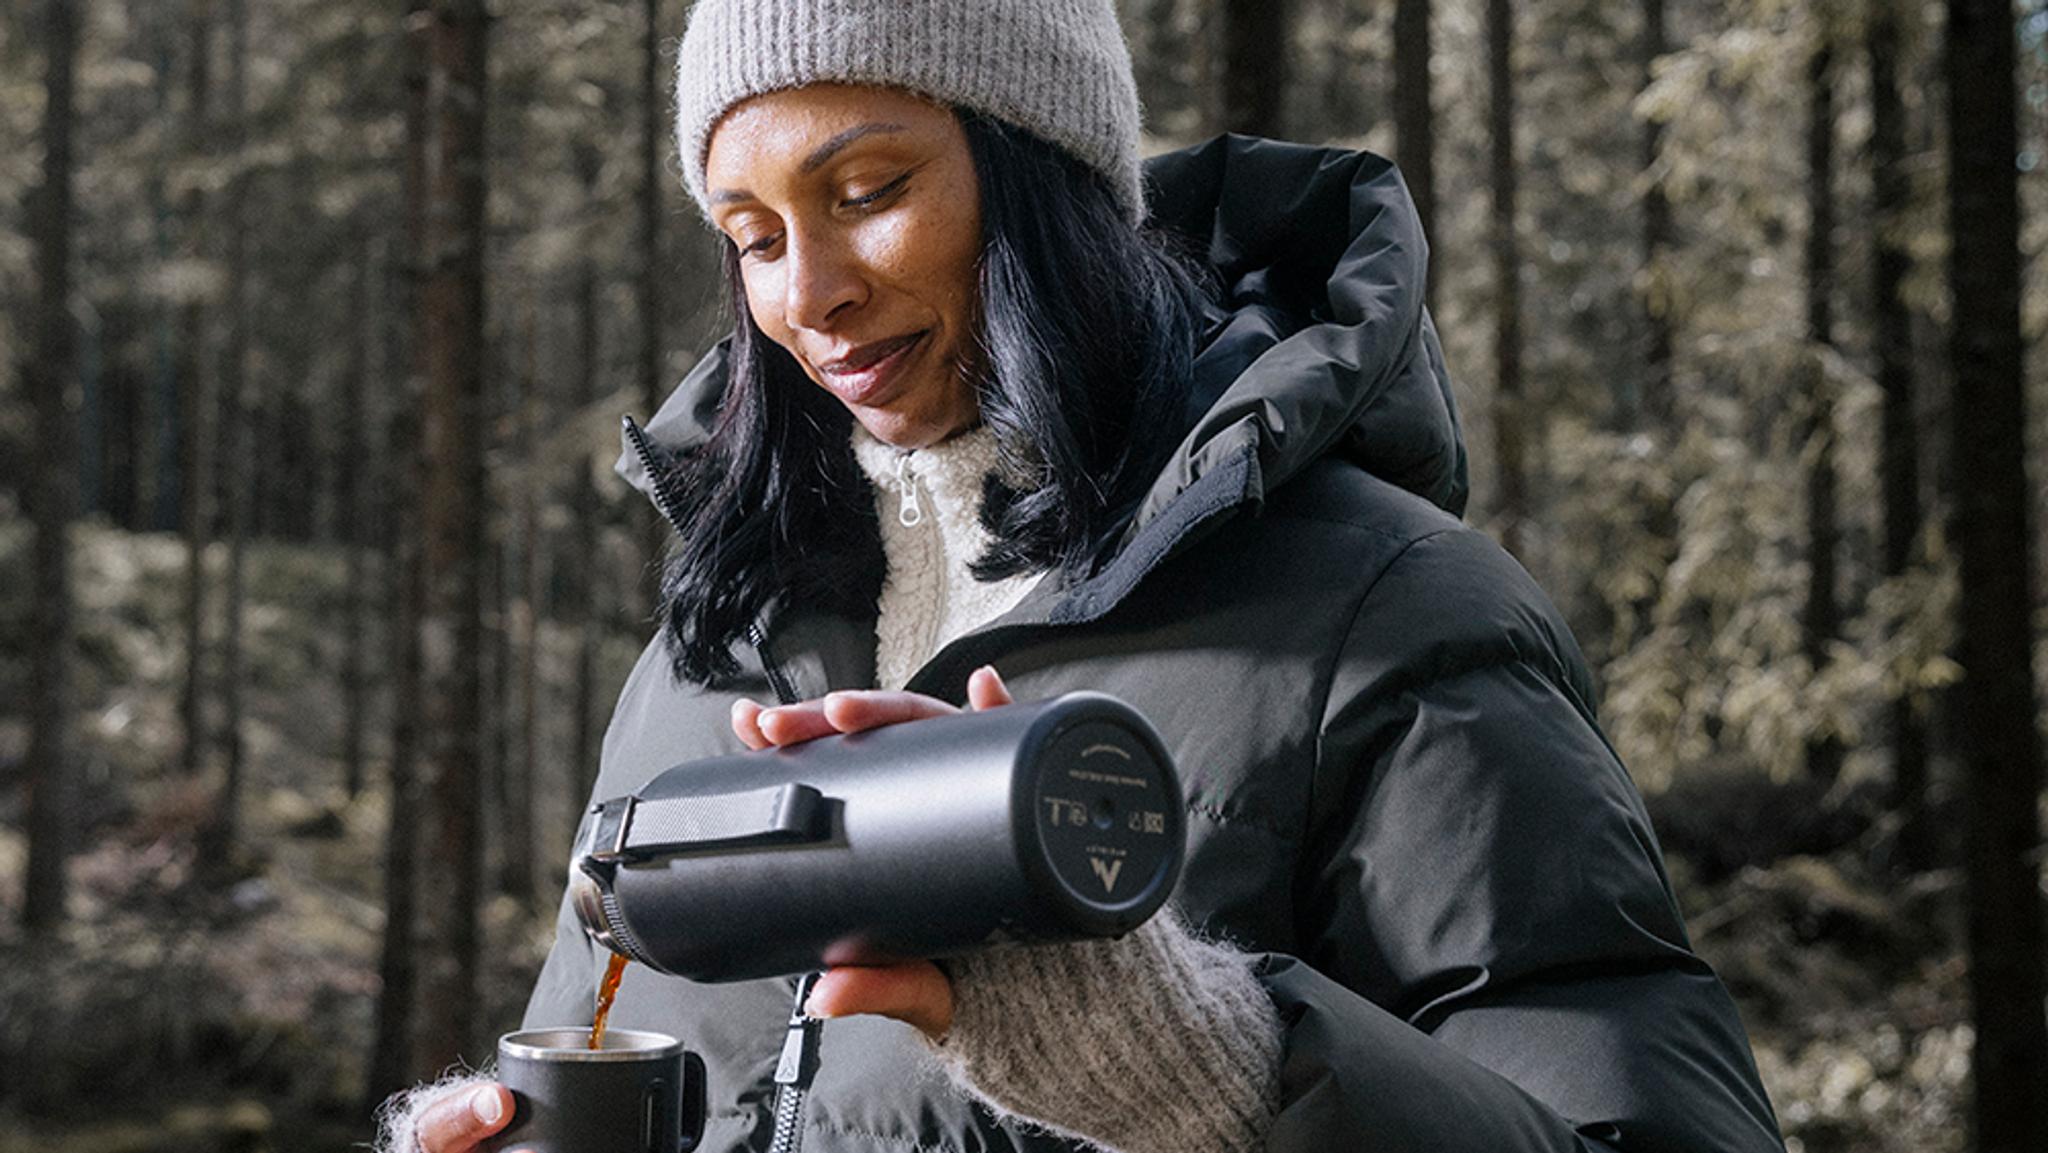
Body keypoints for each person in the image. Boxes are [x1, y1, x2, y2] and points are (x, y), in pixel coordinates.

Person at [387, 2, 1787, 1151]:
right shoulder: (723, 640)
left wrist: (1208, 1070)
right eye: (753, 238)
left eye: (868, 192)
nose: (808, 293)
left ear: (1043, 172)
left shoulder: (1391, 612)